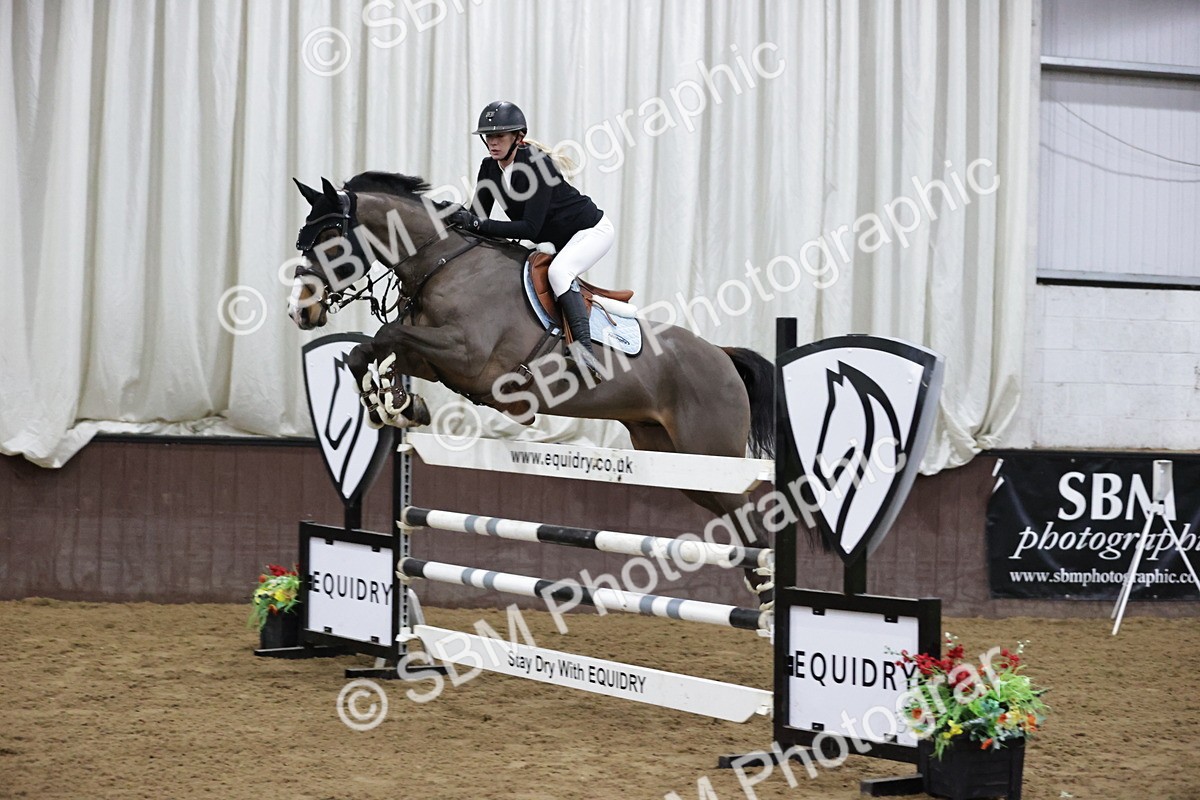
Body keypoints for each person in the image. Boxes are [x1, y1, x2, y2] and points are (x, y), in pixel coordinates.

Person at [449, 100, 614, 379]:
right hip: (553, 239)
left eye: (499, 136)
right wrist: (449, 217)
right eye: (488, 137)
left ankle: (584, 352)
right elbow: (477, 217)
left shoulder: (537, 164)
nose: (492, 143)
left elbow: (530, 229)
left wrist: (477, 222)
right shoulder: (489, 168)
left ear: (518, 137)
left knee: (560, 272)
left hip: (590, 231)